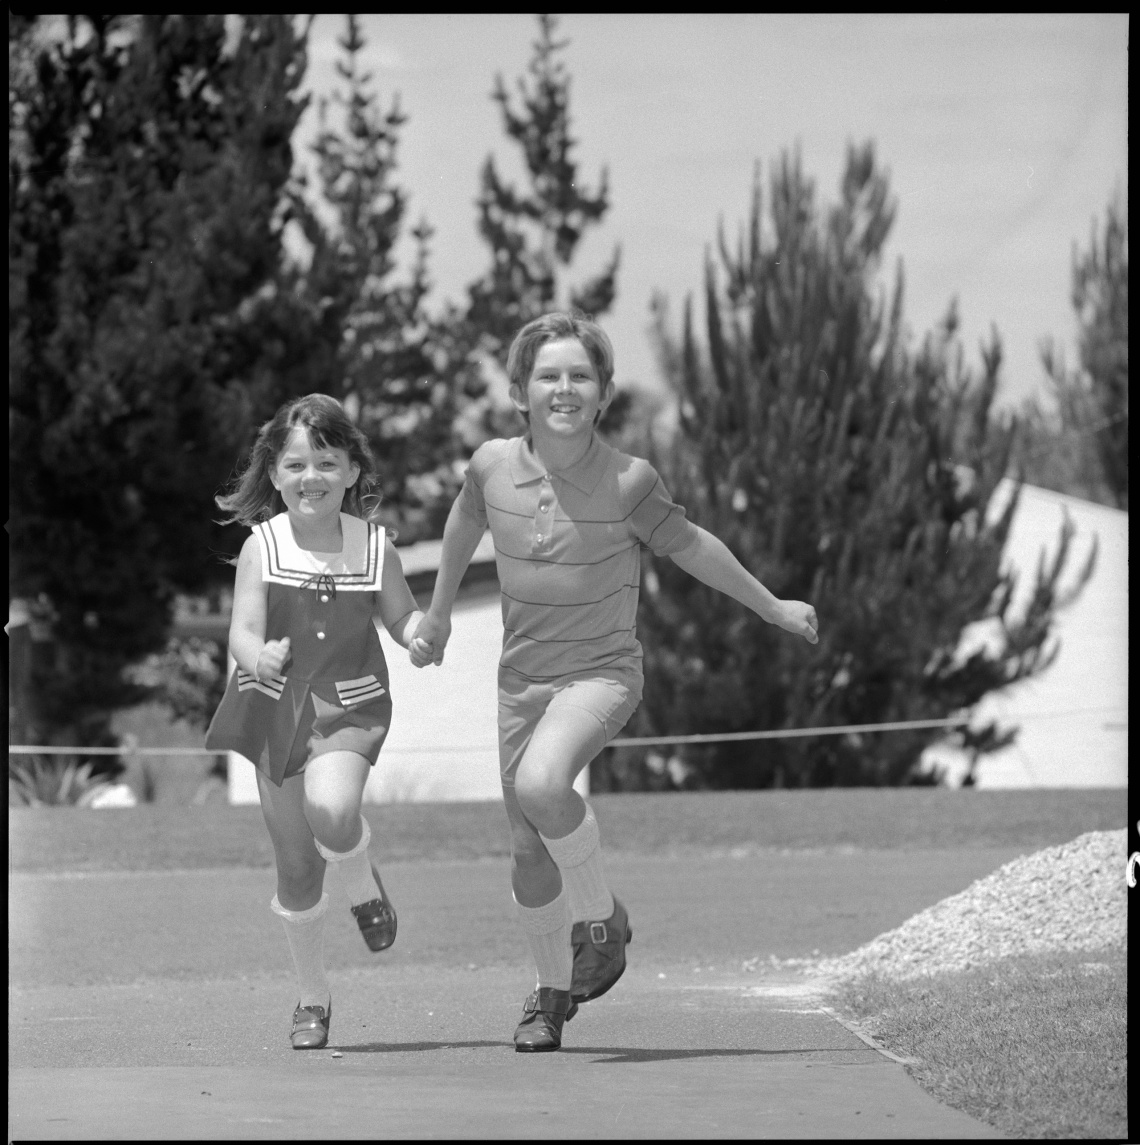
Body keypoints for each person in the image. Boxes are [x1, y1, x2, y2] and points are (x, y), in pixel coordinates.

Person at [411, 311, 818, 1052]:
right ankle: (549, 994)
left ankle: (598, 918)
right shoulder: (490, 465)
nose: (563, 388)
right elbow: (462, 523)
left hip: (601, 673)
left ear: (602, 394)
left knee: (542, 785)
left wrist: (772, 605)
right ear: (519, 390)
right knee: (528, 850)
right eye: (548, 375)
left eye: (580, 376)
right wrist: (436, 615)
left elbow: (693, 546)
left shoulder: (630, 481)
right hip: (520, 681)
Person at [205, 394, 434, 1050]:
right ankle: (312, 996)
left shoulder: (375, 546)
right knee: (298, 867)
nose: (313, 476)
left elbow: (403, 619)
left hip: (348, 703)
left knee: (332, 809)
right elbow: (243, 634)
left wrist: (422, 634)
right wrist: (261, 653)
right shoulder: (261, 547)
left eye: (328, 462)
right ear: (274, 473)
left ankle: (361, 882)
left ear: (352, 471)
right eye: (298, 463)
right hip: (274, 711)